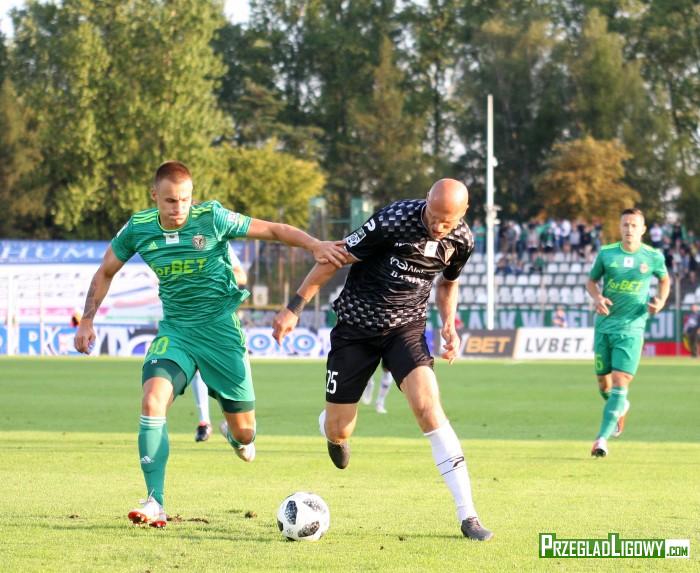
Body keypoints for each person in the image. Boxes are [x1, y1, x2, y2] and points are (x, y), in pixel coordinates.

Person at [73, 160, 345, 528]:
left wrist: (315, 245)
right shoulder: (138, 228)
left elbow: (273, 230)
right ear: (154, 196)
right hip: (176, 333)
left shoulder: (213, 218)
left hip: (221, 335)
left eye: (185, 199)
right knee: (152, 400)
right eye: (170, 201)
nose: (178, 208)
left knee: (245, 432)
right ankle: (155, 501)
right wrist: (87, 319)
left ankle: (234, 436)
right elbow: (106, 270)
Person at [272, 179, 493, 541]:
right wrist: (294, 307)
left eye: (448, 221)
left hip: (405, 329)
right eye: (434, 216)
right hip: (355, 328)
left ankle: (468, 515)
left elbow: (448, 283)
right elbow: (335, 257)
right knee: (340, 429)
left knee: (428, 408)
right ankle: (330, 429)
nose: (439, 226)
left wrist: (448, 324)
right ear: (426, 201)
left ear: (463, 214)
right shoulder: (392, 220)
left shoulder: (462, 240)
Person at [585, 208, 670, 458]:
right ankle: (620, 406)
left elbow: (664, 280)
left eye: (634, 225)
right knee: (603, 383)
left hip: (632, 327)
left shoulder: (652, 256)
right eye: (625, 225)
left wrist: (661, 300)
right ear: (620, 227)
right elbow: (591, 281)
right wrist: (597, 297)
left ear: (643, 229)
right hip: (604, 326)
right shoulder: (607, 253)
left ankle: (601, 439)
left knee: (620, 380)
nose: (629, 229)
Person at [193, 246, 247, 442]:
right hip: (188, 320)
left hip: (219, 319)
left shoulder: (216, 238)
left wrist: (212, 278)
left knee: (228, 371)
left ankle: (232, 422)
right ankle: (204, 422)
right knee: (197, 368)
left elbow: (241, 276)